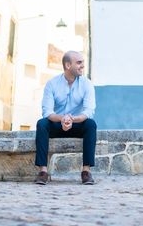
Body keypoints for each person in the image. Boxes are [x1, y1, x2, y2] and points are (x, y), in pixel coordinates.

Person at [34, 50, 97, 185]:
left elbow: (89, 111)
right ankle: (43, 171)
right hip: (56, 123)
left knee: (91, 124)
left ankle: (86, 171)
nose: (82, 66)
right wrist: (62, 118)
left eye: (83, 63)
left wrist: (72, 119)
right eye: (79, 63)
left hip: (77, 123)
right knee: (42, 123)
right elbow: (47, 112)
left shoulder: (87, 84)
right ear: (68, 65)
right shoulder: (52, 84)